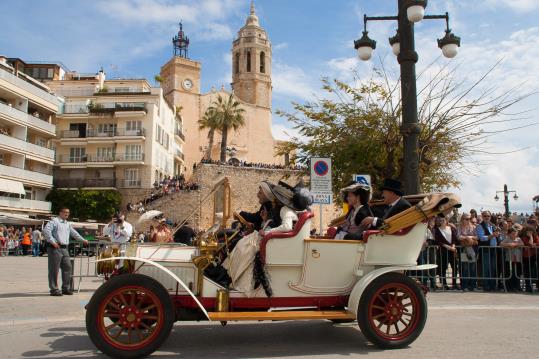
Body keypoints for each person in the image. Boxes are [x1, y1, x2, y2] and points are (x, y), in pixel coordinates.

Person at [223, 181, 310, 297]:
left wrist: (267, 232)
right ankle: (232, 276)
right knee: (242, 244)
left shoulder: (284, 209)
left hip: (273, 242)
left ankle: (232, 277)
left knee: (243, 247)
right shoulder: (284, 210)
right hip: (273, 240)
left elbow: (287, 226)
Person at [43, 207, 89, 296]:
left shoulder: (67, 223)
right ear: (60, 213)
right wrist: (53, 242)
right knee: (54, 270)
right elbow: (46, 231)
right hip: (55, 248)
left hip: (65, 248)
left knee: (68, 267)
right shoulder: (54, 221)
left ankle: (65, 288)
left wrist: (83, 240)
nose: (67, 214)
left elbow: (74, 233)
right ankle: (54, 289)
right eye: (65, 212)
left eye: (68, 213)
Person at [476, 211, 501, 292]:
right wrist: (493, 235)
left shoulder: (492, 225)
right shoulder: (480, 226)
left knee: (493, 268)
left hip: (494, 249)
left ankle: (493, 286)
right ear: (482, 217)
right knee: (486, 268)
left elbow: (497, 237)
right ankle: (486, 286)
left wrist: (498, 235)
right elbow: (481, 238)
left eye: (488, 216)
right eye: (485, 216)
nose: (487, 217)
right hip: (486, 249)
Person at [434, 216, 459, 290]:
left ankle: (454, 283)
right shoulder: (437, 230)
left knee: (454, 267)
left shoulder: (451, 228)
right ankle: (444, 284)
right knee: (443, 267)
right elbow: (438, 241)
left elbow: (454, 238)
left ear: (446, 220)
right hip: (443, 251)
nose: (441, 221)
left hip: (452, 250)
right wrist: (448, 247)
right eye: (440, 220)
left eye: (443, 220)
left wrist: (453, 246)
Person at [457, 213, 478, 291]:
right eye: (466, 219)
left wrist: (469, 237)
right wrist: (466, 237)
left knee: (472, 268)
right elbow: (458, 237)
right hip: (464, 249)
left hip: (472, 249)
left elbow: (477, 237)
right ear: (462, 219)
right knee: (465, 268)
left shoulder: (474, 227)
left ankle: (473, 285)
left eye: (469, 219)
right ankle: (464, 286)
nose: (468, 220)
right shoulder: (460, 227)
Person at [500, 226, 524, 292]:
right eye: (513, 233)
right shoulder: (507, 239)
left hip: (518, 259)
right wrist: (509, 244)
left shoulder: (518, 239)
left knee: (517, 274)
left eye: (515, 233)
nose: (514, 234)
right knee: (510, 273)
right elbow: (501, 244)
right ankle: (509, 287)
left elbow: (522, 244)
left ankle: (517, 287)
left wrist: (514, 244)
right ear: (509, 234)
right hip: (509, 259)